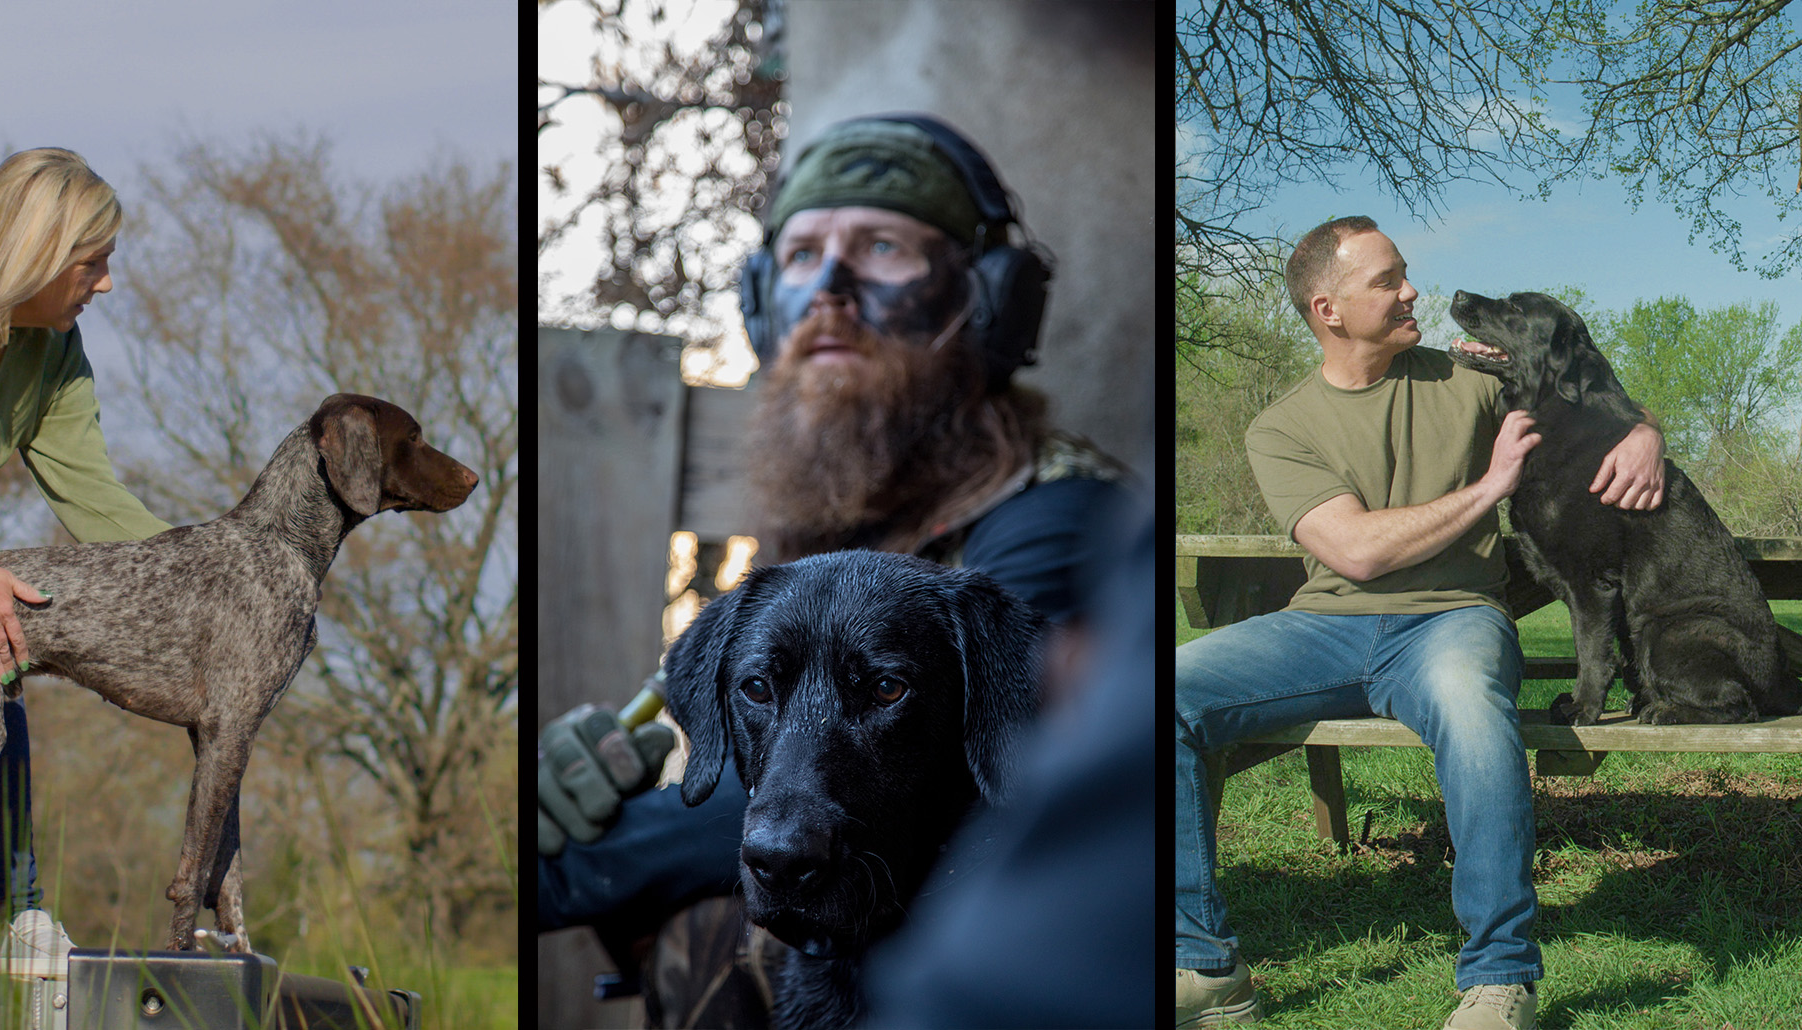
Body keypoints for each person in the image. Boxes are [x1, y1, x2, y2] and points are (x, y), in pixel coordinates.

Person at [533, 114, 1135, 1024]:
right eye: (802, 253)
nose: (829, 289)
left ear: (988, 298)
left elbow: (981, 787)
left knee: (723, 923)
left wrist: (557, 857)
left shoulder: (1058, 520)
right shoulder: (837, 530)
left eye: (882, 247)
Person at [1172, 216, 1665, 1030]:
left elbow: (1593, 395)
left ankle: (1501, 979)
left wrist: (1644, 434)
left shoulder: (1467, 380)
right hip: (1323, 627)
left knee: (1473, 714)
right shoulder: (1282, 427)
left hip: (1454, 620)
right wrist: (1490, 486)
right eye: (1388, 280)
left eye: (1406, 273)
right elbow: (1356, 553)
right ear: (1328, 310)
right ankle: (1204, 967)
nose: (1412, 292)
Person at [0, 147, 171, 956]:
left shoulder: (53, 347)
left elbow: (95, 497)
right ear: (39, 255)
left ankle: (14, 918)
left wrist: (205, 578)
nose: (107, 285)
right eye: (93, 265)